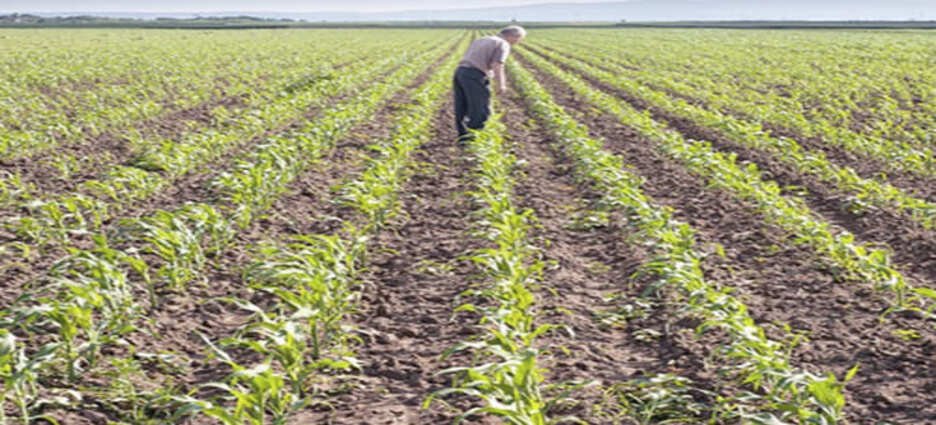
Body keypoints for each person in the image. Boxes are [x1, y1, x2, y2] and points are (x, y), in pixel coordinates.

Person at [453, 26, 526, 141]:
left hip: (460, 72)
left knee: (462, 106)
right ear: (513, 36)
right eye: (519, 39)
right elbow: (497, 64)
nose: (518, 42)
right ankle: (475, 139)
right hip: (475, 75)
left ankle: (463, 138)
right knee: (480, 108)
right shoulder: (502, 44)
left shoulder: (482, 39)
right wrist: (501, 84)